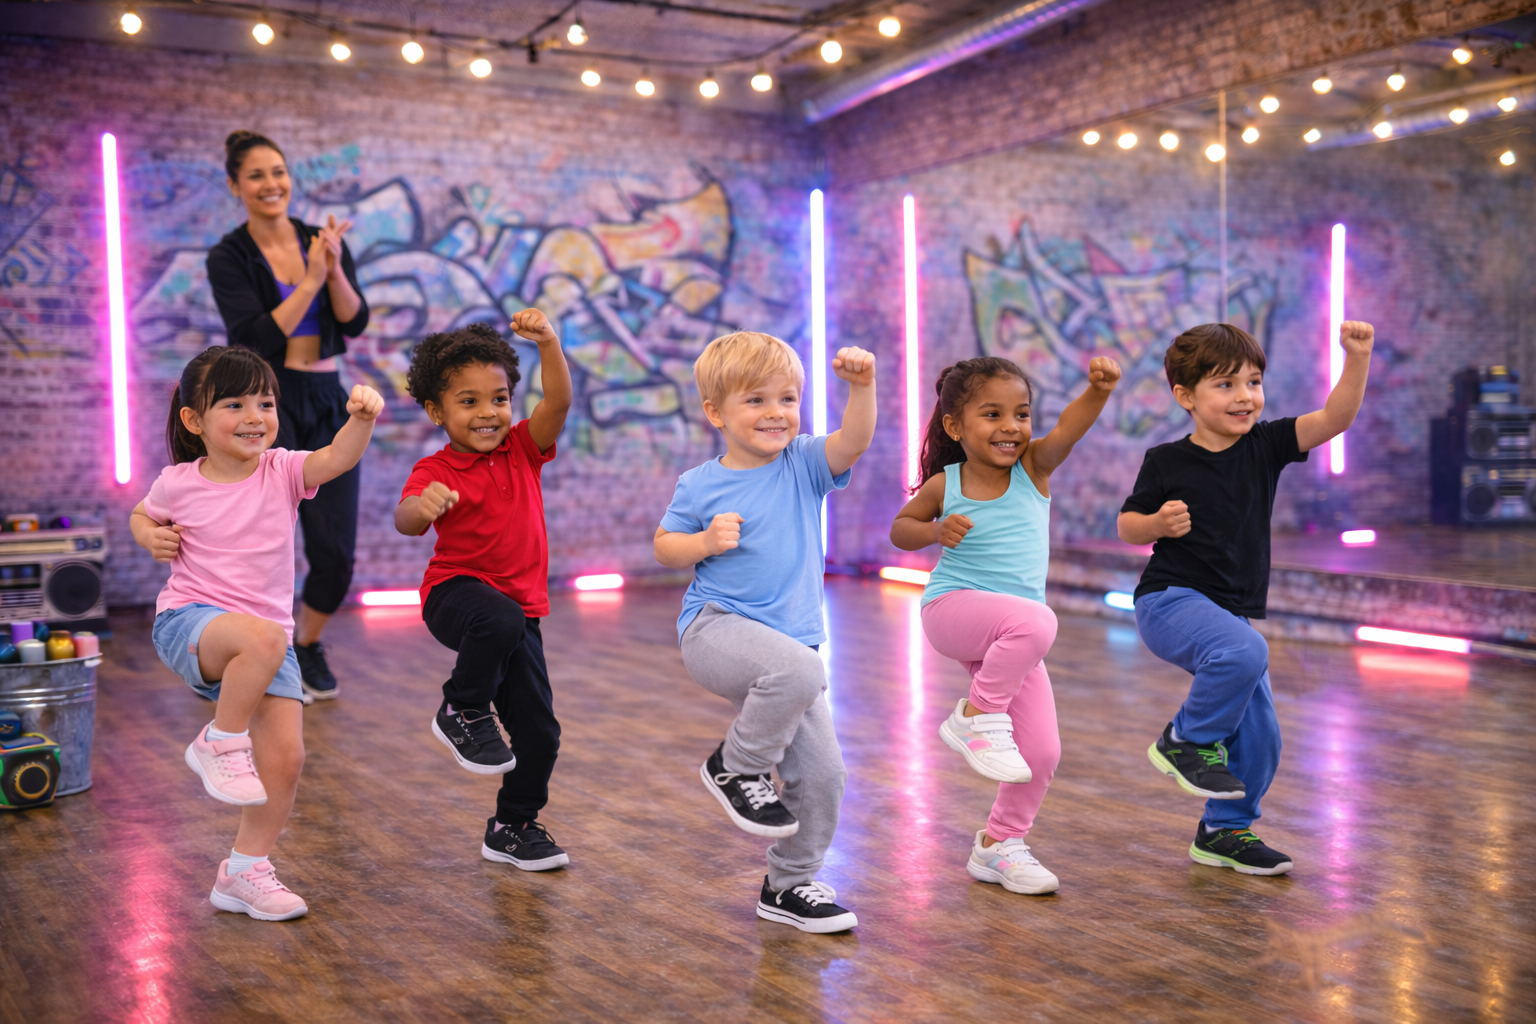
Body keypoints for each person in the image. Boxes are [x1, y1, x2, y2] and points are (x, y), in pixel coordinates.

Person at [129, 346, 383, 920]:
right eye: (235, 404)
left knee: (286, 758)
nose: (255, 416)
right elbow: (141, 513)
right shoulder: (178, 482)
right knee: (266, 637)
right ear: (194, 421)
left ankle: (243, 872)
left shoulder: (283, 470)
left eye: (265, 403)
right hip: (188, 622)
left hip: (264, 644)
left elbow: (336, 459)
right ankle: (218, 741)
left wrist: (361, 421)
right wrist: (149, 536)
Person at [1118, 321, 1374, 876]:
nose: (1244, 397)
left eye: (1253, 383)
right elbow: (1127, 526)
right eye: (1225, 385)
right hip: (1168, 601)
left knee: (1262, 735)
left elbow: (1337, 418)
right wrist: (1157, 520)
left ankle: (1224, 831)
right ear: (1185, 396)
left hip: (1227, 613)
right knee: (1245, 651)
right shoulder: (1166, 461)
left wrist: (1357, 358)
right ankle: (1184, 740)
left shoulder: (1266, 445)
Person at [654, 331, 875, 934]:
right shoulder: (700, 483)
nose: (776, 413)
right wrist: (701, 543)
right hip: (715, 629)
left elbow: (854, 440)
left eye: (788, 399)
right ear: (716, 413)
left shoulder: (803, 463)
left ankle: (789, 886)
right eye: (755, 400)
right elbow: (665, 546)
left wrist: (861, 387)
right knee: (803, 671)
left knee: (825, 775)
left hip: (789, 649)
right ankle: (735, 765)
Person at [890, 354, 1121, 896]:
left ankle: (998, 847)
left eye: (1021, 414)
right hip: (953, 611)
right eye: (992, 415)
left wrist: (1098, 391)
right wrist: (935, 531)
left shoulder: (1033, 470)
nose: (1011, 427)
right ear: (955, 427)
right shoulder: (946, 484)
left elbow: (1070, 428)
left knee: (1040, 753)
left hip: (1011, 636)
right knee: (1037, 620)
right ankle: (976, 715)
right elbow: (902, 529)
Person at [395, 314, 574, 871]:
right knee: (497, 618)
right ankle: (463, 706)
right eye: (468, 402)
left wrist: (548, 342)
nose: (488, 413)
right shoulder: (435, 467)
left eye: (498, 399)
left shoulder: (523, 448)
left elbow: (560, 403)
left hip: (518, 614)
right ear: (437, 412)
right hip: (455, 596)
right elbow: (405, 518)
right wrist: (419, 510)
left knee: (540, 733)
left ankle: (513, 826)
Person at [206, 130, 370, 701]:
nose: (270, 184)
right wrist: (310, 280)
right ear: (235, 185)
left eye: (278, 172)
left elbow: (353, 321)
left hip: (326, 400)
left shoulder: (316, 238)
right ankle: (248, 648)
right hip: (265, 407)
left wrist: (333, 268)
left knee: (335, 552)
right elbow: (253, 335)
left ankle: (307, 644)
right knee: (254, 544)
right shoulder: (228, 256)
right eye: (255, 175)